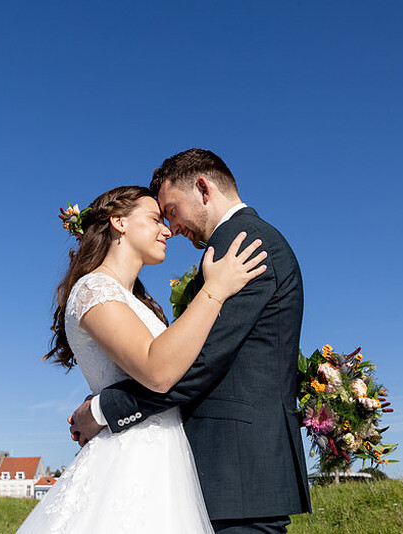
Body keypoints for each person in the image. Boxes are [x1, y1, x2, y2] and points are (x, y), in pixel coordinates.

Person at [70, 149, 312, 533]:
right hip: (217, 476)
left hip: (237, 473)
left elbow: (200, 364)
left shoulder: (242, 244)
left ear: (203, 188)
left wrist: (103, 409)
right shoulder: (234, 246)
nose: (172, 227)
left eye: (171, 210)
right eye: (158, 217)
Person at [17, 185, 266, 533]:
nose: (167, 230)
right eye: (154, 219)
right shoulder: (93, 289)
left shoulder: (135, 300)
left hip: (165, 456)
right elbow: (159, 371)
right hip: (129, 458)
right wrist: (215, 289)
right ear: (119, 222)